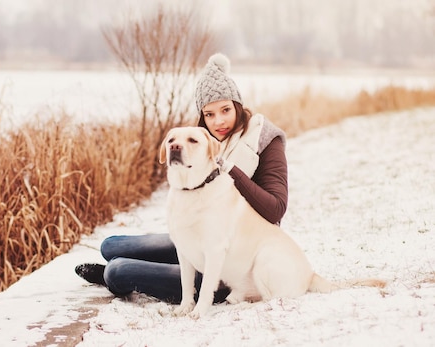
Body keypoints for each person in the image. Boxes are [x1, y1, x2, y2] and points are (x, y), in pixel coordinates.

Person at [74, 53, 288, 304]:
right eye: (209, 114)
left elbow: (275, 210)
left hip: (236, 258)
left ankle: (123, 274)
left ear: (238, 106)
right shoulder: (204, 142)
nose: (218, 121)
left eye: (225, 110)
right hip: (199, 235)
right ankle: (140, 270)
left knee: (117, 270)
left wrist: (230, 169)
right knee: (110, 246)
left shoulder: (265, 141)